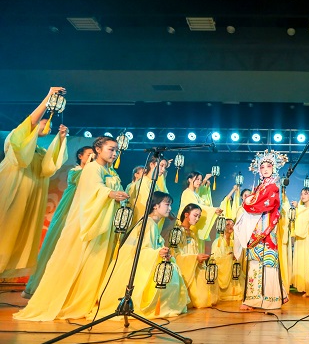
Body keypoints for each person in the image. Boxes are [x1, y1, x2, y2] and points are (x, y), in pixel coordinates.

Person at [14, 136, 130, 321]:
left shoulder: (110, 171)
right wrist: (109, 193)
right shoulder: (92, 168)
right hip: (91, 223)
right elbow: (92, 190)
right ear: (98, 149)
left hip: (105, 222)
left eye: (116, 150)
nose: (114, 153)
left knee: (98, 261)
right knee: (83, 259)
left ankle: (92, 298)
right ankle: (73, 299)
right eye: (111, 149)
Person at [0, 86, 69, 278]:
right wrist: (48, 97)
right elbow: (31, 122)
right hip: (10, 190)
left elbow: (49, 167)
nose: (48, 125)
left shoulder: (39, 150)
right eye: (44, 122)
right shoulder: (17, 137)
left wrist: (61, 139)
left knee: (13, 239)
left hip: (26, 199)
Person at [89, 191, 189, 320]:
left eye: (170, 205)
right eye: (167, 204)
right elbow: (140, 250)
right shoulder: (149, 223)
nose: (170, 208)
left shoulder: (151, 223)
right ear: (155, 205)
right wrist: (157, 253)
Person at [22, 145, 94, 298]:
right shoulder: (75, 171)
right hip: (69, 209)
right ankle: (41, 288)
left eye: (94, 155)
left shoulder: (96, 172)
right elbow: (80, 179)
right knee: (58, 243)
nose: (92, 157)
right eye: (89, 154)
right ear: (80, 156)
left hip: (85, 209)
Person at [233, 149, 289, 310]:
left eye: (268, 166)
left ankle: (271, 300)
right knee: (255, 263)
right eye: (262, 167)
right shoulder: (259, 187)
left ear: (274, 168)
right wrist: (250, 201)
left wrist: (248, 202)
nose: (265, 169)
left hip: (267, 230)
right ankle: (254, 299)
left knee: (268, 263)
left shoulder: (273, 186)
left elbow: (262, 204)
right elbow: (253, 202)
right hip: (255, 229)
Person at [173, 203, 218, 309]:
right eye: (195, 215)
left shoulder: (193, 233)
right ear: (186, 215)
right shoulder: (177, 232)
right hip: (185, 269)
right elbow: (175, 254)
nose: (197, 219)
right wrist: (194, 258)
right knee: (201, 301)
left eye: (199, 217)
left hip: (195, 267)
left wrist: (200, 258)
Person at [177, 171, 223, 253]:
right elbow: (195, 207)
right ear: (190, 180)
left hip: (194, 226)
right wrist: (213, 210)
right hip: (187, 226)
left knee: (196, 248)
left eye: (200, 180)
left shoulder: (195, 194)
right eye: (197, 179)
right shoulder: (187, 193)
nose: (199, 182)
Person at [290, 187, 309, 297]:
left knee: (308, 262)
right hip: (299, 239)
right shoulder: (301, 208)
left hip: (307, 238)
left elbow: (308, 219)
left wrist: (298, 207)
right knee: (300, 261)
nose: (303, 196)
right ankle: (303, 287)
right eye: (302, 194)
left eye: (306, 194)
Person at [212, 218, 244, 301]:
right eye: (228, 225)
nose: (231, 226)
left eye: (233, 224)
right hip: (223, 271)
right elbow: (215, 259)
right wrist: (229, 257)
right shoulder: (218, 242)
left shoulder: (234, 242)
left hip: (233, 271)